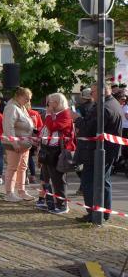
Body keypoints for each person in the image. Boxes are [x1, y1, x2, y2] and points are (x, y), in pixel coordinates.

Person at [75, 84, 122, 223]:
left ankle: (94, 214)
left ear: (101, 92)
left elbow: (88, 129)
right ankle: (104, 213)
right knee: (104, 181)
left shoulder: (104, 107)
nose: (91, 95)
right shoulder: (114, 103)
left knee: (89, 182)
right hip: (109, 150)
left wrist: (76, 119)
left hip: (97, 152)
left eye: (93, 92)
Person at [37, 93, 75, 214]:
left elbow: (52, 126)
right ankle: (49, 201)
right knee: (45, 177)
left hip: (57, 151)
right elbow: (45, 128)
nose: (48, 104)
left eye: (51, 101)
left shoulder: (65, 114)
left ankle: (62, 205)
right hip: (47, 148)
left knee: (57, 179)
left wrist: (48, 114)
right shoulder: (55, 114)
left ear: (57, 103)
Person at [2, 87, 35, 202]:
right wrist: (14, 142)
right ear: (19, 96)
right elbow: (8, 127)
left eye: (29, 99)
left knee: (23, 168)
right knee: (12, 168)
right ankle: (9, 193)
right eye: (26, 98)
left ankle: (21, 191)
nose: (28, 101)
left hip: (25, 144)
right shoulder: (11, 107)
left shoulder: (21, 107)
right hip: (14, 145)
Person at [27, 106, 44, 184]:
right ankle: (33, 176)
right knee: (30, 157)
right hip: (34, 137)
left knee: (26, 157)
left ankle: (25, 177)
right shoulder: (36, 113)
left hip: (25, 137)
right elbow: (40, 126)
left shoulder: (22, 113)